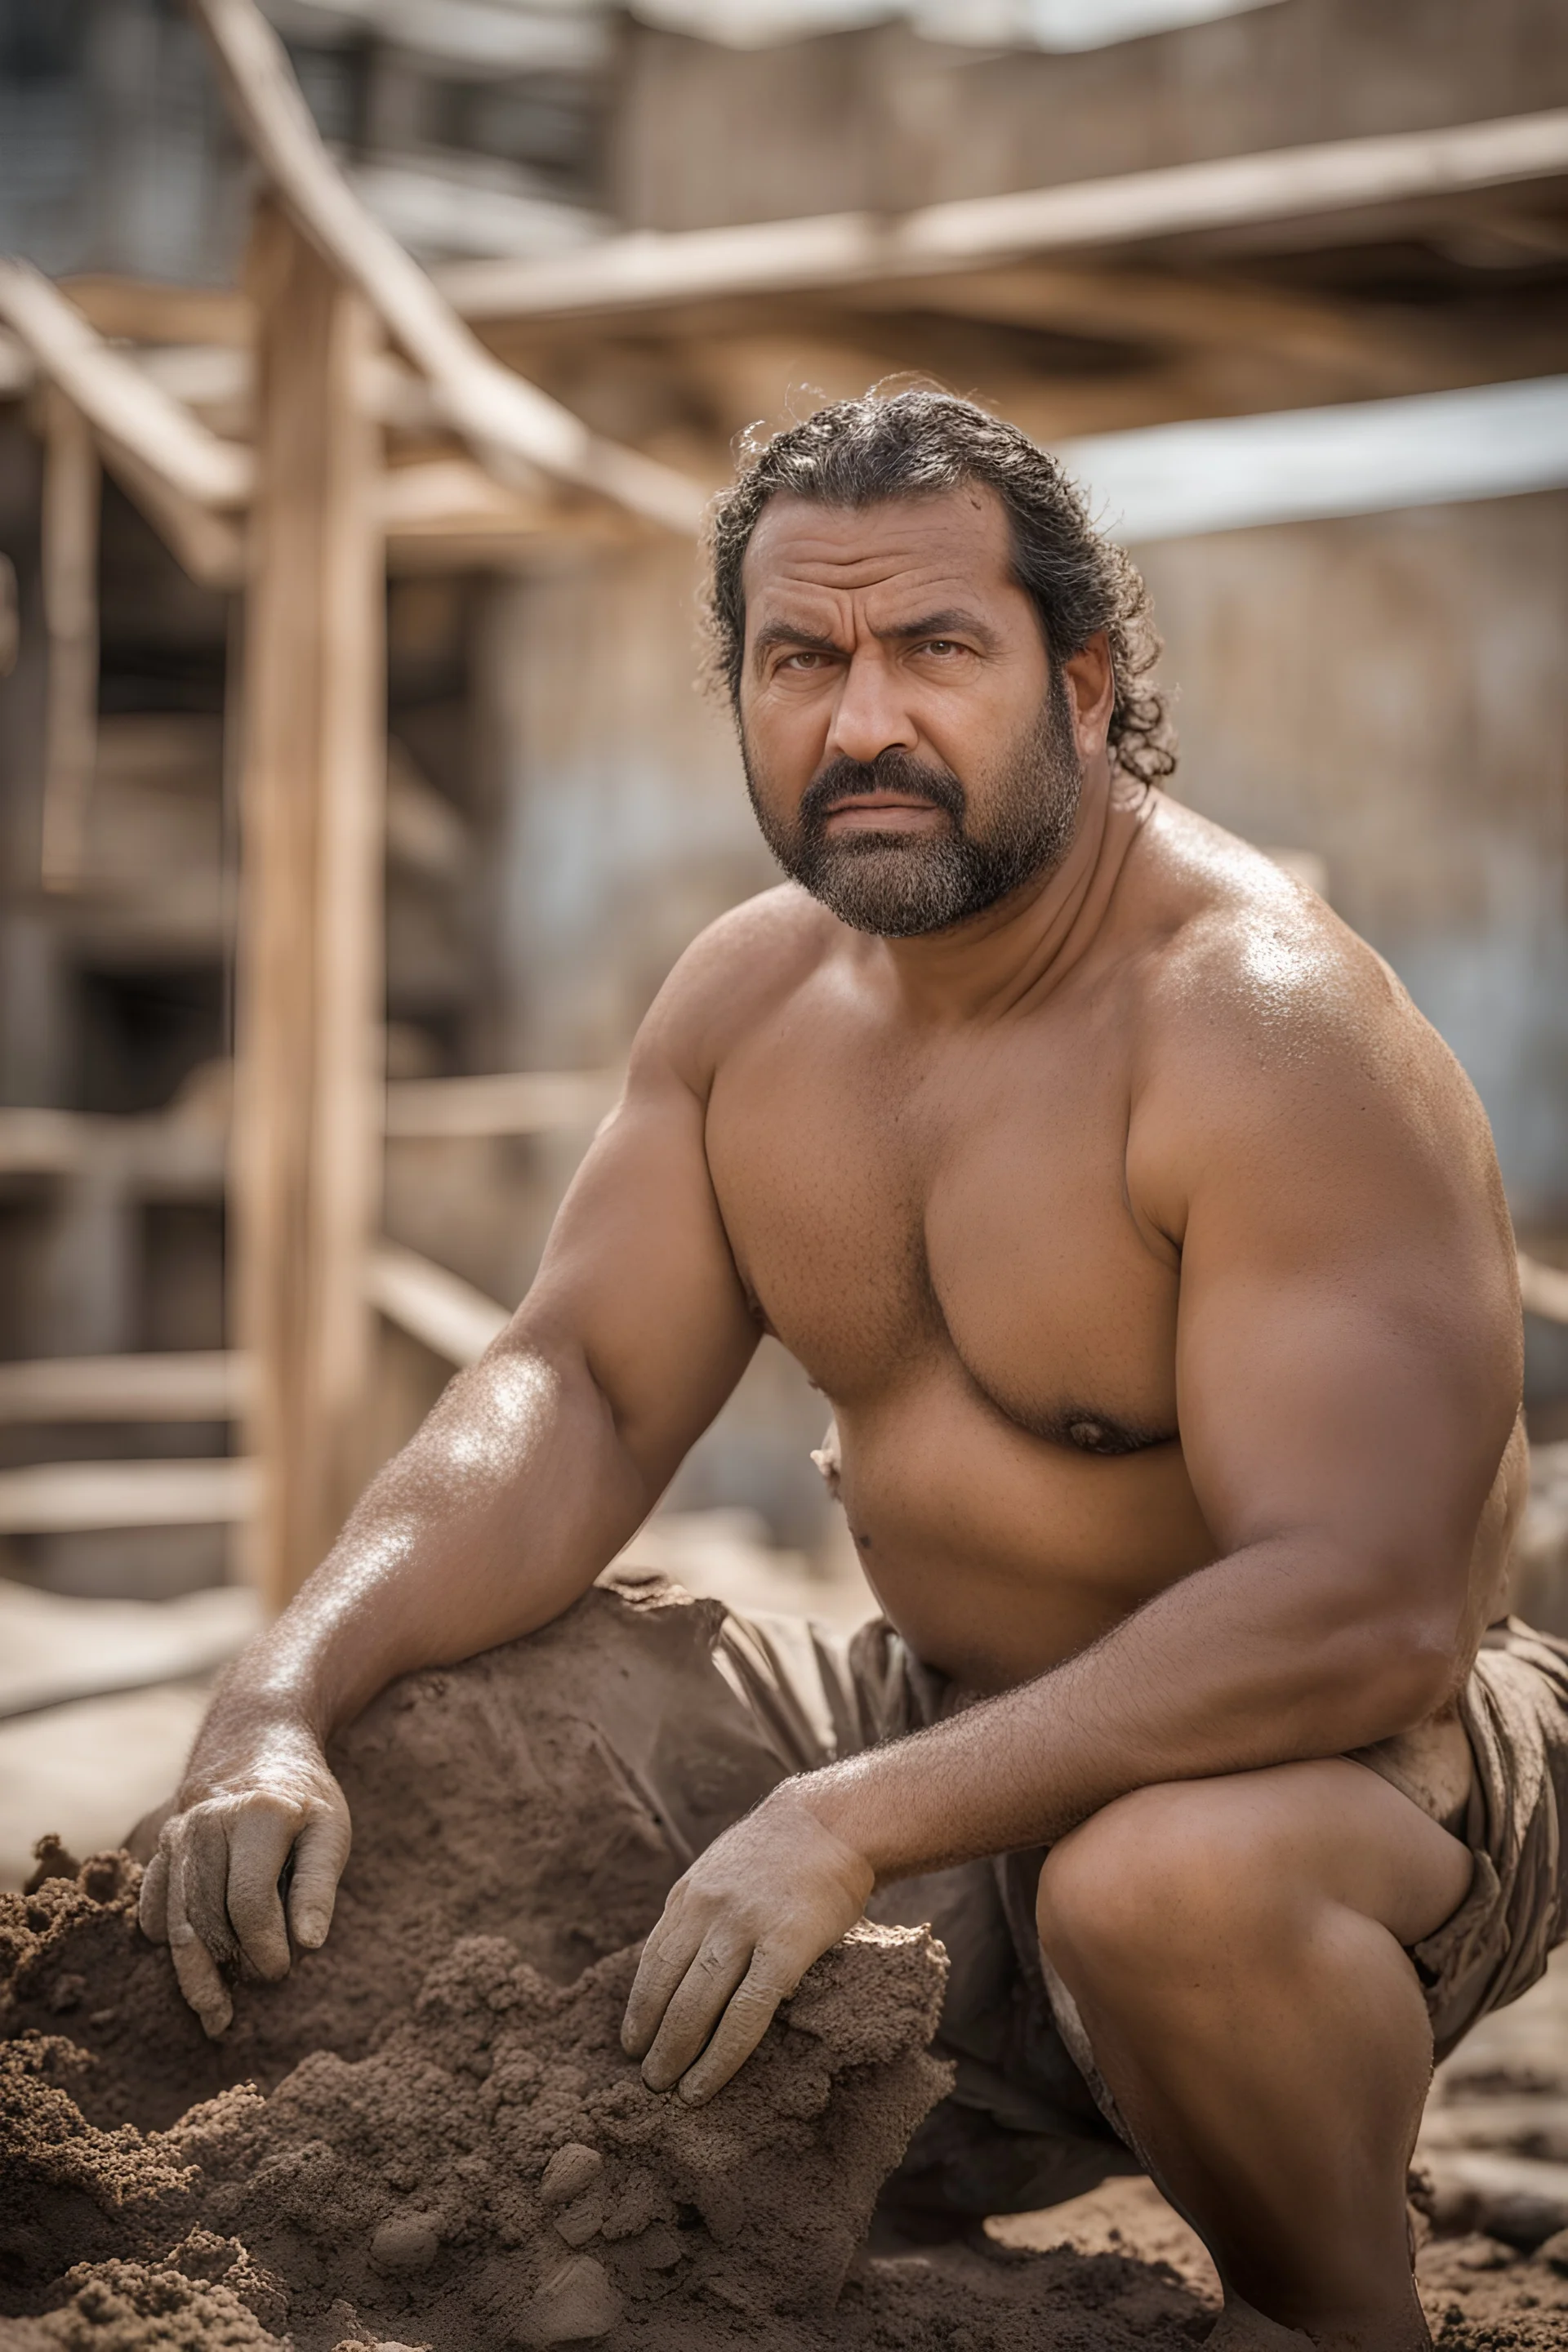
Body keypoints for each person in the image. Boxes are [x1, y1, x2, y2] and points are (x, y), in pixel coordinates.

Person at [138, 390, 1566, 2352]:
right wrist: (276, 1699)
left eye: (936, 651)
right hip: (932, 1717)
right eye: (802, 658)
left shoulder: (1253, 1024)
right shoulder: (748, 1004)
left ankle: (1336, 2313)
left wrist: (849, 1823)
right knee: (418, 1731)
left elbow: (1374, 1615)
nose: (861, 722)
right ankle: (669, 2238)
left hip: (1342, 1776)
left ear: (1081, 687)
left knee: (1160, 1889)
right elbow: (583, 1390)